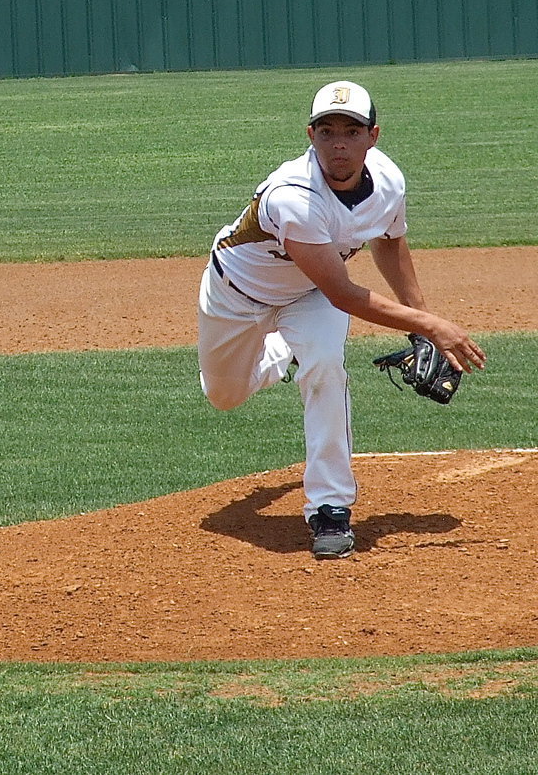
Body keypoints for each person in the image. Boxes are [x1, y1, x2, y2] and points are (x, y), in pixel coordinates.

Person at [197, 80, 486, 559]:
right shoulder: (293, 195)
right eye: (326, 130)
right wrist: (432, 326)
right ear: (309, 135)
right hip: (236, 294)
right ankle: (279, 354)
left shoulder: (388, 180)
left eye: (350, 131)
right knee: (224, 396)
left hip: (310, 296)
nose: (338, 144)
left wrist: (419, 321)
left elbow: (389, 242)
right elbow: (346, 292)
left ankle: (330, 510)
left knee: (327, 366)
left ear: (372, 136)